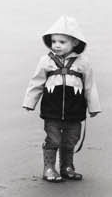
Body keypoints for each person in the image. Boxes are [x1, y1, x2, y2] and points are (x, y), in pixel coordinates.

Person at [22, 15, 101, 182]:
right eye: (54, 41)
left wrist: (93, 107)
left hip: (75, 110)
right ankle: (49, 168)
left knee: (71, 139)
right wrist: (30, 102)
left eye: (62, 42)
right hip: (52, 110)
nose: (56, 45)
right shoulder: (46, 61)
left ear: (75, 43)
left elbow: (90, 86)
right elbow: (36, 82)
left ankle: (67, 167)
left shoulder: (83, 63)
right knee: (53, 139)